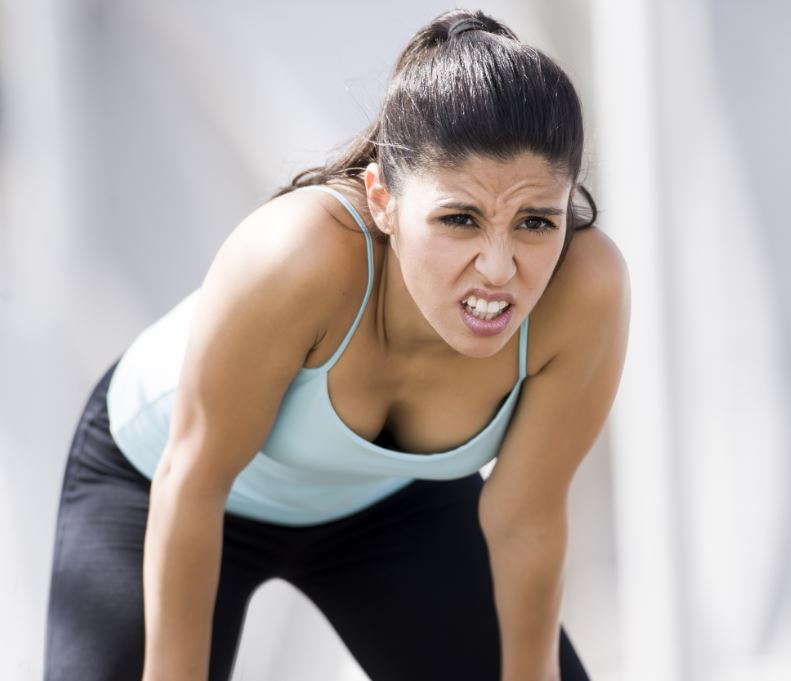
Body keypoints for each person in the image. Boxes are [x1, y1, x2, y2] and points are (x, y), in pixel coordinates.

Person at [43, 8, 629, 681]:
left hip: (386, 506)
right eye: (460, 219)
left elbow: (524, 517)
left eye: (534, 221)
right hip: (163, 481)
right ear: (382, 199)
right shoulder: (297, 254)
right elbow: (194, 478)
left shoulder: (584, 290)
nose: (499, 268)